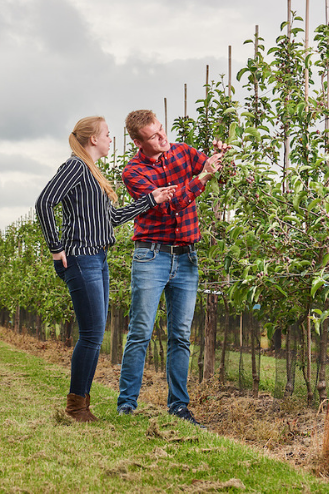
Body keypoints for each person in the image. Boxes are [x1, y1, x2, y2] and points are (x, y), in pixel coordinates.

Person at [36, 116, 176, 423]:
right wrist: (55, 247)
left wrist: (150, 200)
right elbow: (44, 202)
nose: (112, 140)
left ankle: (80, 404)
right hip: (80, 257)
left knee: (94, 333)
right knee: (91, 334)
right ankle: (76, 407)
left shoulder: (91, 172)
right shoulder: (74, 166)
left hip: (97, 258)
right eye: (108, 135)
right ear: (93, 140)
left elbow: (111, 218)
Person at [116, 109, 229, 425]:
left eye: (162, 129)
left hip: (187, 257)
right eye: (154, 136)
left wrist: (220, 156)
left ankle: (178, 407)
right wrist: (199, 179)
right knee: (141, 330)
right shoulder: (133, 172)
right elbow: (173, 203)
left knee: (180, 335)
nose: (163, 137)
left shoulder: (183, 152)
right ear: (139, 141)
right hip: (151, 257)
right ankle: (127, 405)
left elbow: (209, 167)